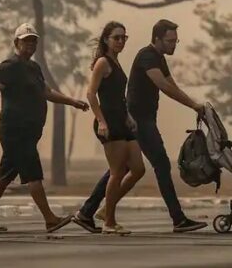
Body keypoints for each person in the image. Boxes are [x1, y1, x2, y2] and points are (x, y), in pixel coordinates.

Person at [73, 19, 207, 234]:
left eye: (123, 38)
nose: (174, 45)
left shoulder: (155, 59)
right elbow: (162, 86)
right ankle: (177, 219)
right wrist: (192, 104)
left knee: (127, 169)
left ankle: (90, 211)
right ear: (157, 39)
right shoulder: (146, 56)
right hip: (137, 119)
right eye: (170, 41)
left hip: (131, 118)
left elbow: (171, 83)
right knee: (158, 165)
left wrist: (195, 104)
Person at [0, 23, 90, 233]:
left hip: (29, 131)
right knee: (34, 174)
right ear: (16, 42)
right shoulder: (8, 66)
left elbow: (46, 92)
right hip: (15, 130)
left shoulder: (34, 68)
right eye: (26, 40)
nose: (30, 44)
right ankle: (50, 219)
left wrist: (73, 101)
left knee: (5, 176)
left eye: (33, 40)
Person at [87, 21, 145, 235]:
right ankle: (109, 222)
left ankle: (105, 209)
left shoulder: (117, 62)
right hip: (109, 121)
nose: (121, 41)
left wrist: (128, 116)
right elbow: (91, 94)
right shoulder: (103, 62)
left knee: (138, 169)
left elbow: (119, 96)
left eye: (123, 38)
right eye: (116, 38)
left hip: (122, 120)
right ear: (106, 39)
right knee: (117, 172)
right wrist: (101, 121)